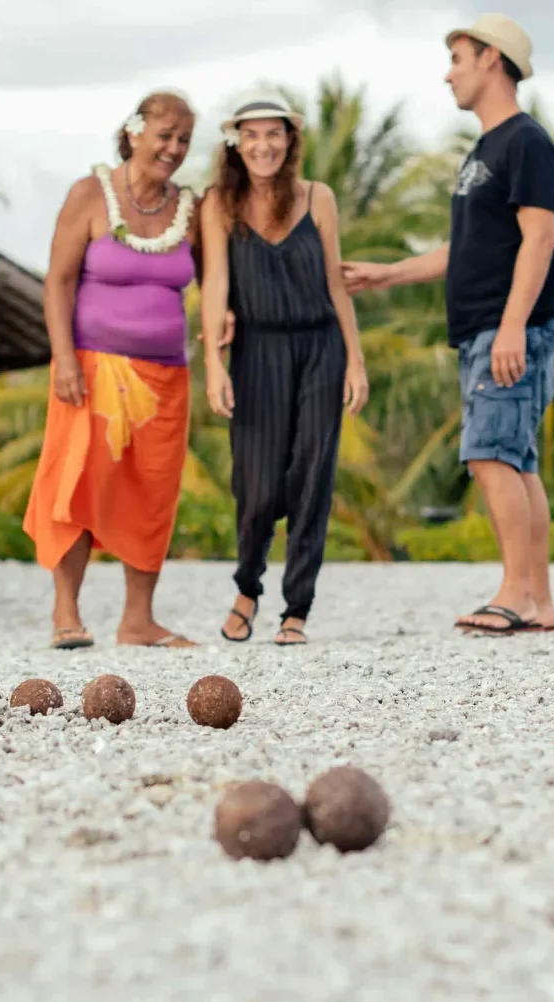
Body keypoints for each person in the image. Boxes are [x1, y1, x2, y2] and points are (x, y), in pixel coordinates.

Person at [341, 13, 554, 636]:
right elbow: (465, 249)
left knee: (491, 457)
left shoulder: (525, 142)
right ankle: (538, 601)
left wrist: (514, 325)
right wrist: (388, 274)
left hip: (505, 327)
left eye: (458, 59)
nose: (449, 74)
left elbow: (539, 237)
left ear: (492, 59)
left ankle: (515, 592)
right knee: (516, 462)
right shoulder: (485, 151)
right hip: (486, 327)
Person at [24, 89, 227, 650]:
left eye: (184, 139)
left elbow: (214, 282)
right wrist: (63, 357)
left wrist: (222, 323)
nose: (174, 148)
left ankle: (138, 620)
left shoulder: (190, 209)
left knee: (150, 491)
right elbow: (58, 281)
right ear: (134, 132)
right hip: (90, 369)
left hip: (166, 378)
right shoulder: (90, 194)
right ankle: (66, 611)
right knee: (79, 487)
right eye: (165, 135)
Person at [198, 96, 369, 646]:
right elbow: (216, 285)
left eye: (274, 135)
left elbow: (336, 284)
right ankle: (247, 587)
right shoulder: (219, 203)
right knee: (256, 482)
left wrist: (356, 360)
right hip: (256, 350)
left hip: (320, 347)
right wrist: (213, 366)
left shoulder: (318, 197)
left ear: (290, 142)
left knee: (311, 475)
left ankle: (297, 608)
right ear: (236, 143)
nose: (263, 146)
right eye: (252, 136)